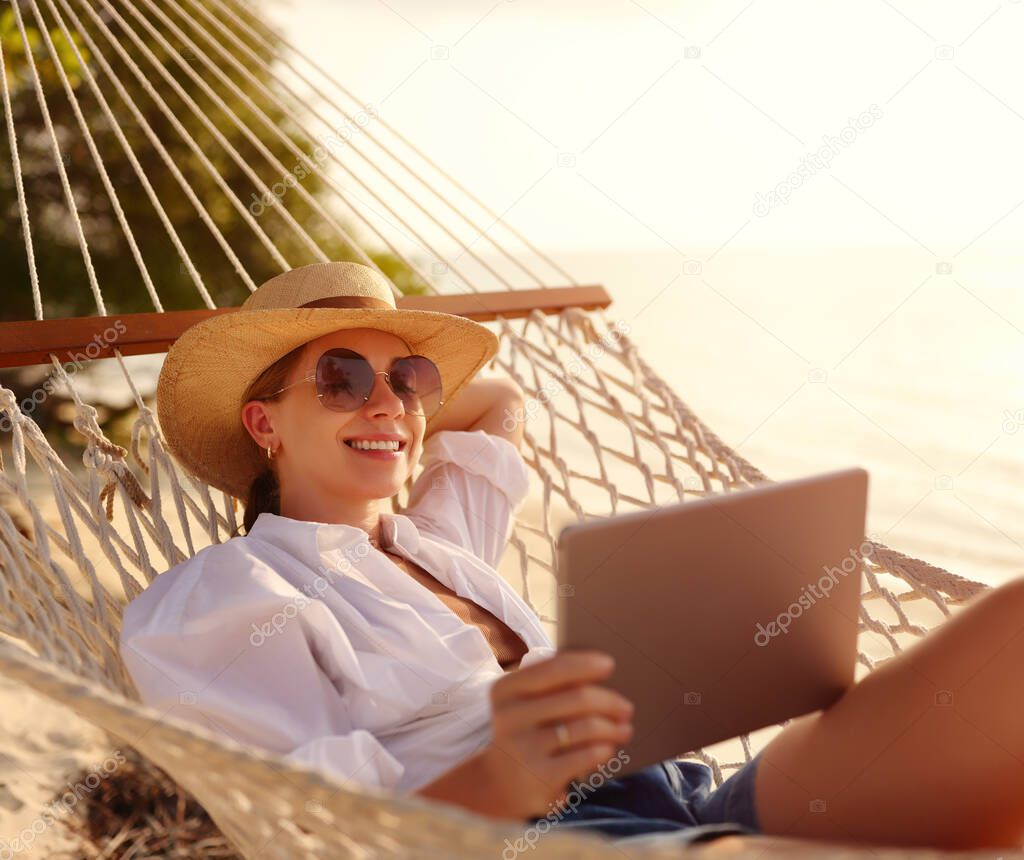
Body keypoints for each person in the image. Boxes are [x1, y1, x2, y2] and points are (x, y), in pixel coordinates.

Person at [120, 261, 1024, 851]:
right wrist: (502, 775)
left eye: (409, 380)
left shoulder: (438, 538)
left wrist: (394, 402)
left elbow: (499, 399)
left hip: (682, 783)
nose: (388, 404)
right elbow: (286, 826)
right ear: (261, 421)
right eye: (340, 379)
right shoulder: (222, 596)